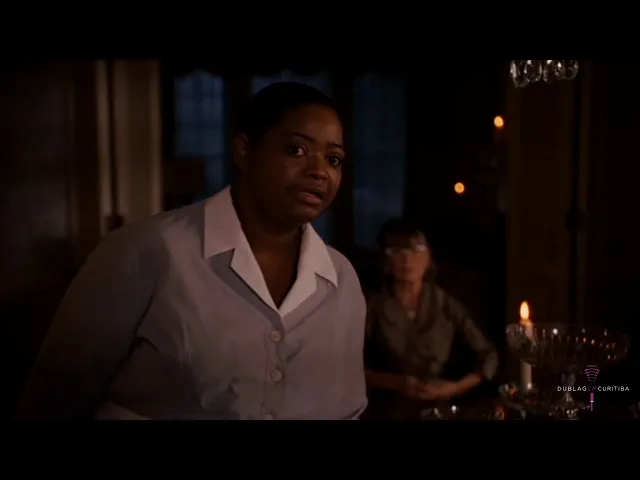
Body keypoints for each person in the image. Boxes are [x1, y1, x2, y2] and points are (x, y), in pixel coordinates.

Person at [16, 82, 368, 420]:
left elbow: (346, 409)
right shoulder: (147, 251)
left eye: (334, 159)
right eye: (296, 150)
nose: (320, 171)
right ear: (244, 151)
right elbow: (55, 398)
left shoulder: (342, 280)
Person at [364, 218, 498, 419]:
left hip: (438, 408)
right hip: (386, 409)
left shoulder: (446, 304)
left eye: (417, 249)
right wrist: (396, 382)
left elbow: (489, 356)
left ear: (429, 256)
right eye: (397, 251)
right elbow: (346, 365)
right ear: (386, 258)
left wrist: (454, 388)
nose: (407, 259)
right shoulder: (372, 305)